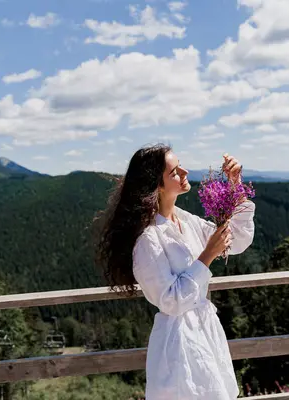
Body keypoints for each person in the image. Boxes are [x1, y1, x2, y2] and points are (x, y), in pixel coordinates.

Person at [95, 143, 256, 400]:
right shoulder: (147, 239)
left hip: (205, 330)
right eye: (174, 171)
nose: (185, 171)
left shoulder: (185, 220)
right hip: (178, 343)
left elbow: (235, 241)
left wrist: (235, 187)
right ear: (156, 185)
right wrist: (207, 256)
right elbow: (170, 300)